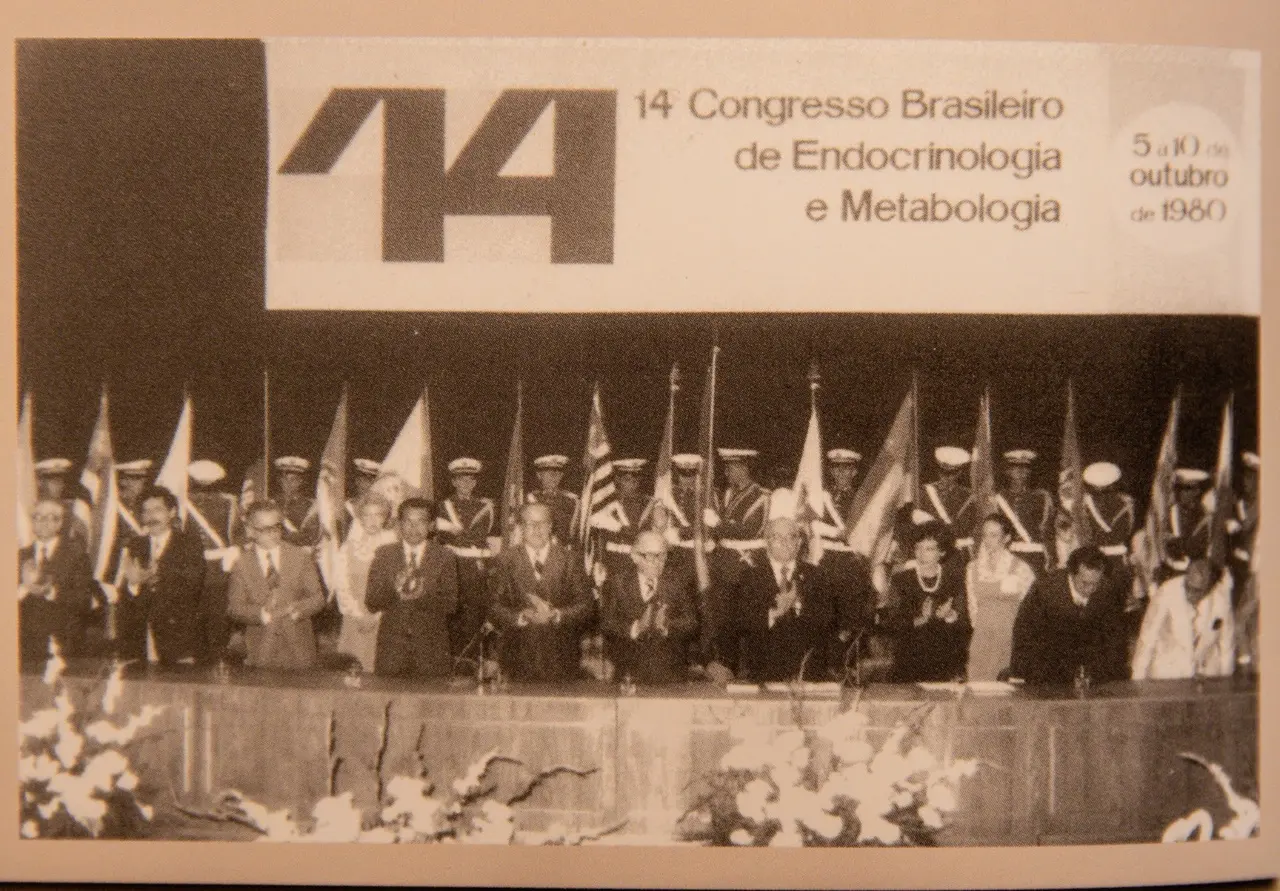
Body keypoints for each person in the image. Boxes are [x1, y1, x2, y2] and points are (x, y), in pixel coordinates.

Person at [710, 516, 837, 683]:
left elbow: (828, 620)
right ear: (767, 543)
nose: (784, 542)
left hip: (808, 674)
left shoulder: (816, 575)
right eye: (777, 537)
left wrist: (797, 604)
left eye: (791, 537)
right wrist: (774, 613)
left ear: (799, 543)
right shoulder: (750, 577)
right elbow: (739, 622)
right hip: (764, 673)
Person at [488, 502, 594, 682]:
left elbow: (586, 605)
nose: (537, 529)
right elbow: (493, 605)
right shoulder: (505, 560)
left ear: (551, 526)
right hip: (517, 656)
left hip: (561, 657)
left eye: (543, 523)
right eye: (530, 524)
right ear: (520, 527)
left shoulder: (569, 560)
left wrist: (556, 614)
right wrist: (520, 616)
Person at [226, 500, 327, 670]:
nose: (272, 534)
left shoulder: (300, 557)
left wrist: (296, 610)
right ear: (250, 530)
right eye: (265, 529)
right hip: (260, 650)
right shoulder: (241, 564)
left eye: (277, 527)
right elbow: (234, 607)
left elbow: (318, 598)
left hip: (299, 649)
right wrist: (262, 614)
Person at [365, 497, 459, 678]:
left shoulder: (445, 556)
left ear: (431, 525)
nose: (414, 528)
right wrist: (395, 589)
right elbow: (371, 602)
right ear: (399, 525)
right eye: (408, 521)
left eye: (421, 522)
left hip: (431, 649)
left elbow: (451, 604)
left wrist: (419, 594)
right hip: (392, 649)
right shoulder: (384, 554)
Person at [1008, 545, 1129, 686]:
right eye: (1084, 583)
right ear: (1071, 574)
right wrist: (1019, 675)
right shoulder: (1044, 591)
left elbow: (1115, 640)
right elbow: (1024, 634)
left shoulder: (1108, 591)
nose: (1090, 589)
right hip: (1048, 674)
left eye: (1095, 584)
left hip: (1093, 675)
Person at [116, 486, 207, 665]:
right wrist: (133, 585)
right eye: (146, 511)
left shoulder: (189, 544)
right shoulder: (136, 545)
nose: (151, 516)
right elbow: (126, 596)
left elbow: (193, 583)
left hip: (178, 635)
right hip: (141, 636)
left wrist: (158, 574)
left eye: (157, 509)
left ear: (172, 512)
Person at [600, 529, 698, 685]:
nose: (657, 562)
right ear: (634, 556)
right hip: (629, 673)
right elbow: (607, 623)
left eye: (662, 556)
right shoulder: (618, 583)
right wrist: (636, 628)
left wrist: (667, 626)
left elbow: (691, 622)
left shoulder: (678, 583)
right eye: (650, 556)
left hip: (669, 674)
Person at [883, 520, 971, 683]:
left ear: (942, 552)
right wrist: (919, 619)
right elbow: (890, 623)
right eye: (918, 548)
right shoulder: (901, 580)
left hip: (945, 665)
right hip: (908, 664)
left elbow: (965, 624)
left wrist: (950, 615)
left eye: (929, 549)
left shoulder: (954, 580)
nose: (922, 554)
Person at [815, 448, 876, 671]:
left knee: (852, 620)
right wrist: (831, 532)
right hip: (828, 561)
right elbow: (809, 522)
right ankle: (826, 667)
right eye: (837, 469)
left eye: (847, 469)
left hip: (853, 564)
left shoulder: (863, 498)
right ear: (831, 471)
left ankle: (849, 668)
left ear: (854, 473)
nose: (841, 474)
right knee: (826, 618)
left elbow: (871, 529)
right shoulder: (821, 497)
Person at [18, 499, 97, 664]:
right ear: (31, 522)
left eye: (51, 518)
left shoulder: (77, 556)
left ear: (60, 523)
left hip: (63, 640)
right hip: (24, 641)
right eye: (38, 517)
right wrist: (21, 591)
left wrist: (51, 592)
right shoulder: (19, 556)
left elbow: (84, 600)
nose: (44, 523)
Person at [435, 458, 496, 672]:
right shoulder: (443, 506)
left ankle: (474, 662)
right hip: (453, 565)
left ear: (475, 483)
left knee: (477, 614)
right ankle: (452, 662)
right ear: (453, 482)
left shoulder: (486, 505)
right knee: (453, 614)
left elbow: (483, 536)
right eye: (461, 480)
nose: (466, 484)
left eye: (470, 480)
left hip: (477, 566)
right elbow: (443, 538)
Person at [1131, 559, 1235, 680]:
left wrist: (1227, 681)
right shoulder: (1166, 592)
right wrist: (1138, 679)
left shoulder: (1221, 601)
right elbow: (1148, 638)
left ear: (1210, 588)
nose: (1189, 594)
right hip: (1167, 674)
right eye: (1187, 587)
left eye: (1196, 591)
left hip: (1206, 675)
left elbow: (1227, 644)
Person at [964, 513, 1036, 681]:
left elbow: (1029, 609)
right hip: (981, 639)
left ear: (1006, 538)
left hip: (1010, 639)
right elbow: (972, 608)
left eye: (994, 535)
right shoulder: (972, 568)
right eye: (985, 534)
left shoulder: (1021, 569)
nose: (988, 540)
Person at [334, 494, 397, 672]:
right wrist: (358, 615)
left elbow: (396, 587)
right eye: (367, 515)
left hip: (383, 618)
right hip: (355, 617)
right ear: (360, 518)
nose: (372, 520)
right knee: (354, 668)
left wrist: (376, 617)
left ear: (385, 518)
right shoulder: (348, 547)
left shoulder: (393, 547)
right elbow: (342, 585)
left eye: (378, 515)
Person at [186, 459, 240, 664]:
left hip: (216, 567)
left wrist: (233, 553)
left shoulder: (228, 502)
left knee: (216, 615)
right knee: (201, 615)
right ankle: (209, 656)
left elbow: (236, 534)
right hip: (201, 567)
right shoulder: (228, 501)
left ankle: (215, 657)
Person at [595, 458, 661, 581]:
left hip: (640, 565)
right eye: (627, 479)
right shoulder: (606, 504)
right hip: (613, 563)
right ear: (618, 480)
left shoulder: (649, 503)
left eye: (636, 479)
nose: (633, 484)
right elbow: (599, 540)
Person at [992, 449, 1054, 574]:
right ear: (1007, 471)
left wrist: (1051, 558)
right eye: (1015, 468)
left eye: (1025, 468)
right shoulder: (998, 498)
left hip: (1036, 557)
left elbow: (1049, 531)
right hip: (1008, 556)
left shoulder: (1042, 497)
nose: (1021, 472)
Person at [922, 446, 976, 552]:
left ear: (959, 473)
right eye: (942, 473)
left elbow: (971, 528)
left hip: (959, 552)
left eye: (951, 474)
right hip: (931, 551)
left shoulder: (968, 496)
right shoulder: (924, 493)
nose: (946, 478)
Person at [34, 457, 90, 546]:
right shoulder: (30, 510)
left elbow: (84, 545)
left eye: (60, 480)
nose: (59, 484)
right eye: (52, 480)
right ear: (39, 482)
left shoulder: (75, 509)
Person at [527, 454, 580, 545]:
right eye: (549, 473)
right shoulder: (530, 499)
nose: (554, 476)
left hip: (562, 552)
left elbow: (575, 534)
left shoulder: (572, 501)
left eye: (558, 473)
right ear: (539, 475)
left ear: (561, 476)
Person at [273, 455, 319, 547]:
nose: (288, 483)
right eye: (285, 479)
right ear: (279, 481)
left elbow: (312, 537)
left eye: (293, 479)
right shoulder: (271, 504)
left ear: (301, 482)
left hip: (300, 553)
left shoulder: (310, 506)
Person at [1170, 467, 1212, 560]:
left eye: (1186, 488)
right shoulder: (1171, 512)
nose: (1180, 492)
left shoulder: (1205, 516)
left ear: (1197, 491)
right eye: (1177, 488)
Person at [341, 458, 382, 541]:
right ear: (356, 480)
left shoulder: (381, 511)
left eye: (369, 480)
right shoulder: (344, 507)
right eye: (360, 478)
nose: (363, 483)